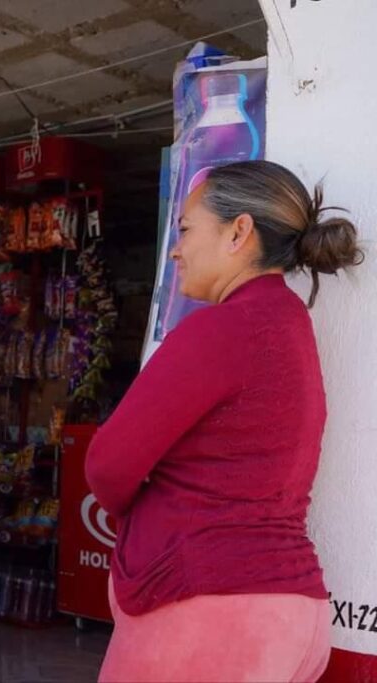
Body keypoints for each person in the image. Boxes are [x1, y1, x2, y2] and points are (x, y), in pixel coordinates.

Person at [86, 160, 364, 683]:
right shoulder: (290, 324)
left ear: (239, 231)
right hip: (293, 610)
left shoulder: (221, 329)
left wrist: (148, 517)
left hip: (209, 608)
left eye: (186, 229)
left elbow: (107, 464)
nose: (176, 249)